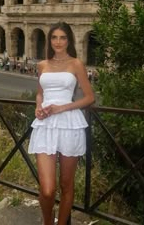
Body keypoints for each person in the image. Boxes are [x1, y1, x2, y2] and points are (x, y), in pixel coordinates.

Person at [28, 22, 95, 225]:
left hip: (69, 124)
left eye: (63, 37)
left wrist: (61, 108)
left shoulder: (76, 64)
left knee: (66, 185)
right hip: (45, 124)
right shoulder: (42, 65)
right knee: (47, 190)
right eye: (54, 37)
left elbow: (90, 98)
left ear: (69, 40)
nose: (58, 42)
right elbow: (41, 93)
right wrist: (38, 107)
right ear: (50, 40)